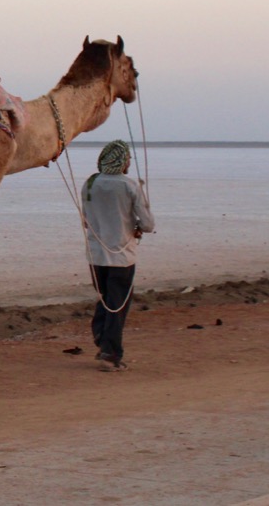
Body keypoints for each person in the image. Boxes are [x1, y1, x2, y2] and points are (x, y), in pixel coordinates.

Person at [82, 139, 155, 372]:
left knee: (106, 298)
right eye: (128, 159)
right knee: (117, 305)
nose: (129, 162)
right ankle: (110, 353)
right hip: (122, 257)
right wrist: (137, 227)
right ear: (122, 161)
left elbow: (86, 220)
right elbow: (148, 224)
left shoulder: (90, 183)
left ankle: (102, 337)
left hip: (96, 256)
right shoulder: (129, 186)